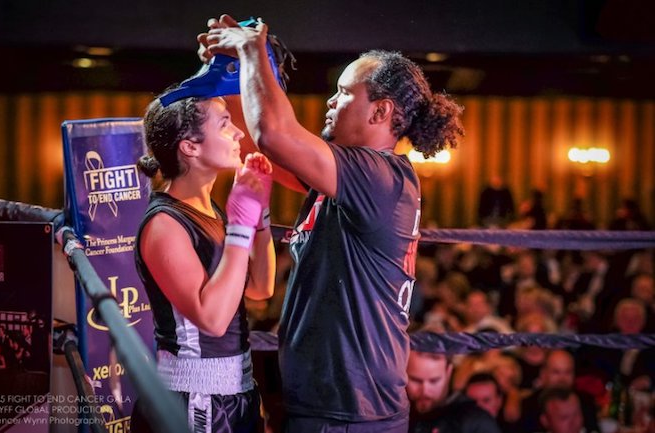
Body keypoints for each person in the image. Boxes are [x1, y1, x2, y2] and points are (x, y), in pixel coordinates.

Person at [202, 14, 464, 433]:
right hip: (336, 405)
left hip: (349, 413)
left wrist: (252, 50)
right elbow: (256, 141)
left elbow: (274, 133)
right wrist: (233, 68)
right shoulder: (349, 179)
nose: (330, 100)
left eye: (343, 93)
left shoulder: (379, 177)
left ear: (381, 111)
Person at [130, 89, 276, 432]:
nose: (239, 133)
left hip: (237, 391)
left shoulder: (211, 211)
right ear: (190, 146)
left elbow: (259, 288)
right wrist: (240, 226)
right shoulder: (164, 224)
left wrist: (260, 215)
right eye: (225, 124)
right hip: (192, 396)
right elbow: (212, 320)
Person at [406, 351, 501, 433]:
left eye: (434, 381)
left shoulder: (476, 423)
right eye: (416, 380)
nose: (425, 390)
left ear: (448, 371)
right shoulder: (397, 413)